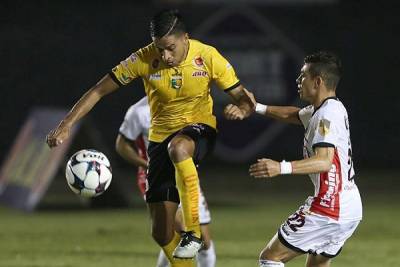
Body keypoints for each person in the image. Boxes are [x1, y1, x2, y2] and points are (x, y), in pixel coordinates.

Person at [46, 9, 255, 267]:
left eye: (170, 48)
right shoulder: (144, 58)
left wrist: (243, 109)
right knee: (161, 232)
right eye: (159, 49)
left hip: (198, 130)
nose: (165, 56)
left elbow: (243, 97)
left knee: (179, 149)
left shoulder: (208, 56)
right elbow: (99, 90)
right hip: (159, 142)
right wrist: (66, 124)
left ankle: (192, 232)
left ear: (185, 38)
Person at [225, 51, 362, 267]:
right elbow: (294, 115)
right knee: (316, 264)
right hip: (349, 205)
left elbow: (324, 161)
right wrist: (257, 107)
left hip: (329, 206)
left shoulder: (327, 115)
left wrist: (281, 167)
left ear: (317, 81)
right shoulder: (327, 108)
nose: (298, 81)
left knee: (270, 258)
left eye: (303, 76)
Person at [115, 96, 216, 267]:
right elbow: (121, 145)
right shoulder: (138, 111)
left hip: (185, 177)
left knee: (204, 243)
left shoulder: (188, 101)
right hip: (157, 180)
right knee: (179, 234)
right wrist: (147, 165)